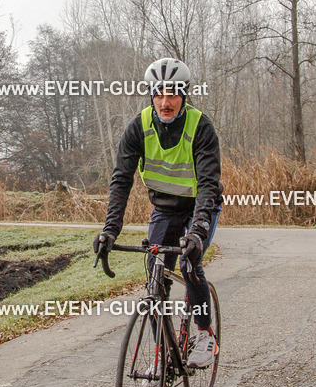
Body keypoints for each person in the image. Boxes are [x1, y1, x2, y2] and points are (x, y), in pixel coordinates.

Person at [94, 57, 222, 369]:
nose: (165, 102)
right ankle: (162, 351)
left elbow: (208, 184)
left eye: (173, 94)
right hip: (164, 207)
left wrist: (198, 233)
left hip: (198, 207)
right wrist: (110, 230)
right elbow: (121, 180)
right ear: (152, 94)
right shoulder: (138, 127)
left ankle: (205, 334)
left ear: (184, 95)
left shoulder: (201, 127)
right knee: (154, 271)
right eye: (159, 93)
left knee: (191, 262)